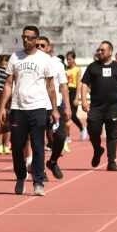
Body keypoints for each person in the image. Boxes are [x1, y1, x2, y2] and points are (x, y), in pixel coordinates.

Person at [0, 26, 58, 196]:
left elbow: (50, 86)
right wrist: (3, 106)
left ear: (36, 39)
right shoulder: (15, 57)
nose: (26, 40)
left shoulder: (45, 59)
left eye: (30, 37)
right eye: (24, 37)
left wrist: (54, 109)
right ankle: (20, 176)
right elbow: (8, 84)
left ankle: (38, 182)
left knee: (38, 146)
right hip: (18, 108)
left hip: (38, 107)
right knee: (17, 146)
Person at [79, 41, 117, 172]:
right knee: (93, 130)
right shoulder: (92, 67)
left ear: (110, 52)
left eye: (102, 50)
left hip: (113, 107)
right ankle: (97, 149)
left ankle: (111, 161)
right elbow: (84, 84)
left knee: (112, 134)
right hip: (96, 107)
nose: (99, 52)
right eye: (99, 50)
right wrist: (84, 101)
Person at [36, 37, 71, 180]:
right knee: (38, 140)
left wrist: (68, 107)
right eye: (37, 45)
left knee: (60, 136)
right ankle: (40, 171)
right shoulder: (31, 62)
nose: (39, 47)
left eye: (42, 45)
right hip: (37, 105)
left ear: (49, 47)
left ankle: (53, 161)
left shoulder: (57, 64)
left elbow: (63, 86)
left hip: (55, 106)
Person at [65, 51, 85, 143]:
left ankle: (82, 128)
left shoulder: (77, 69)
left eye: (70, 59)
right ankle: (67, 136)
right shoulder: (65, 69)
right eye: (67, 59)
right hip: (66, 92)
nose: (68, 61)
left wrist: (77, 97)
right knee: (66, 116)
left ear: (73, 59)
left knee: (72, 115)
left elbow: (78, 84)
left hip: (73, 92)